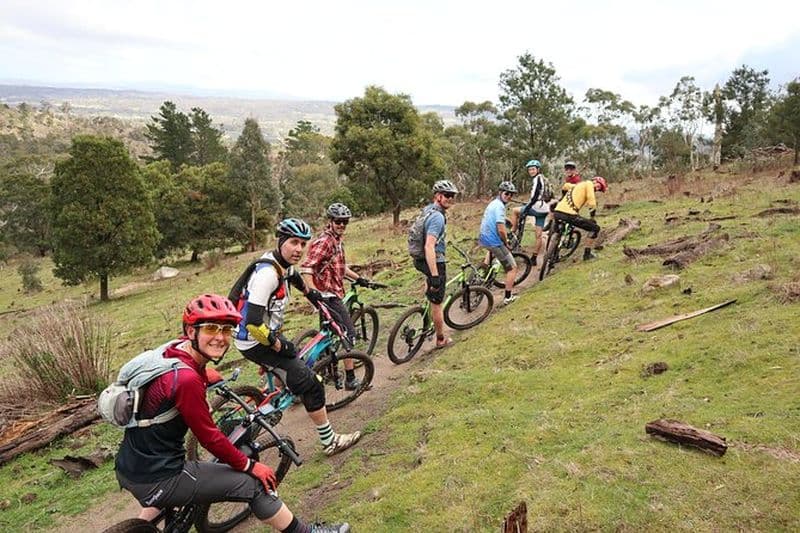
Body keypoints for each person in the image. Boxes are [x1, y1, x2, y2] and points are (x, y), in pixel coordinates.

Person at [114, 293, 350, 533]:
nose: (220, 337)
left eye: (226, 330)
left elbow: (171, 384)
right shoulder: (187, 380)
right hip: (160, 476)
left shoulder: (172, 351)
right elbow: (210, 438)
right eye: (211, 329)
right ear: (190, 330)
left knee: (167, 496)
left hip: (131, 465)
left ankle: (142, 527)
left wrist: (205, 375)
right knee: (254, 485)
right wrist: (250, 466)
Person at [234, 218, 361, 456]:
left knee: (289, 366)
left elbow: (299, 282)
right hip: (254, 338)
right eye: (294, 242)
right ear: (281, 241)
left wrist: (315, 297)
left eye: (303, 244)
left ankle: (281, 386)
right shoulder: (267, 276)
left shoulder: (281, 265)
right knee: (312, 385)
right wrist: (280, 345)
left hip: (256, 333)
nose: (299, 250)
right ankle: (329, 441)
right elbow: (253, 323)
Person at [300, 203, 365, 391]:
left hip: (331, 292)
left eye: (345, 222)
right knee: (348, 334)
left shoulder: (336, 240)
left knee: (328, 335)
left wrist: (359, 279)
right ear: (330, 221)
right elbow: (306, 268)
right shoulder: (325, 241)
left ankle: (325, 369)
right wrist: (314, 295)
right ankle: (350, 379)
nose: (342, 225)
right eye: (338, 221)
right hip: (327, 296)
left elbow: (339, 267)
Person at [411, 180, 458, 349]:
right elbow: (429, 246)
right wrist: (435, 275)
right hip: (433, 261)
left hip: (420, 260)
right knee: (438, 303)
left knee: (431, 294)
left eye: (452, 196)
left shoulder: (427, 210)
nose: (450, 199)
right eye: (447, 196)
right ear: (438, 196)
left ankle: (428, 303)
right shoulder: (437, 217)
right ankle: (440, 339)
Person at [478, 181, 519, 305]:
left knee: (491, 253)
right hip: (493, 241)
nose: (509, 196)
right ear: (500, 193)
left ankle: (483, 273)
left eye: (511, 195)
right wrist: (506, 243)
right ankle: (508, 297)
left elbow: (495, 217)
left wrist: (506, 219)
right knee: (512, 268)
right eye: (507, 194)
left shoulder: (493, 203)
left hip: (483, 238)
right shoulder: (500, 206)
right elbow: (501, 230)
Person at [552, 176, 608, 260]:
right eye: (598, 186)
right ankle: (587, 255)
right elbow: (591, 201)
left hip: (557, 212)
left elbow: (566, 186)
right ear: (594, 181)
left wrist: (563, 197)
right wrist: (592, 217)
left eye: (599, 189)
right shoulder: (589, 184)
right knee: (595, 228)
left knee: (560, 232)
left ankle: (553, 254)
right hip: (569, 214)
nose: (597, 189)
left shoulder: (578, 185)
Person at [509, 159, 549, 265]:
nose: (531, 171)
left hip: (536, 207)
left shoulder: (537, 179)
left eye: (533, 169)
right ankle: (534, 258)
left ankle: (512, 231)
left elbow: (535, 196)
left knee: (514, 211)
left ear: (538, 169)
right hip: (544, 209)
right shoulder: (544, 179)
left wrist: (527, 207)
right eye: (530, 170)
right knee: (539, 235)